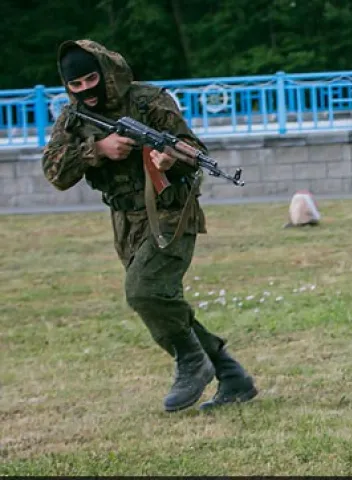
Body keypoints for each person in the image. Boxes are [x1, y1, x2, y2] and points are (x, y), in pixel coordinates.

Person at [41, 40, 258, 413]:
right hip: (125, 220)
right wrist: (97, 150)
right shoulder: (73, 117)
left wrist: (171, 159)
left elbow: (191, 148)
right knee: (162, 300)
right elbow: (55, 172)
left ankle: (192, 363)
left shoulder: (149, 100)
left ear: (107, 73)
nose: (85, 91)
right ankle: (232, 376)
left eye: (91, 79)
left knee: (144, 291)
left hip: (171, 211)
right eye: (74, 86)